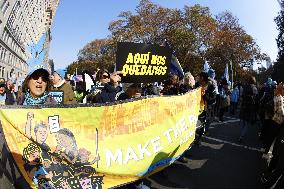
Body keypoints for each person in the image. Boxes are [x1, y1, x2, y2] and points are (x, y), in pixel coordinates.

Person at [238, 76, 258, 143]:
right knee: (246, 123)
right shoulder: (255, 88)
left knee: (242, 122)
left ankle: (240, 134)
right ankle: (241, 136)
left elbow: (242, 96)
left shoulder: (245, 87)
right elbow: (256, 99)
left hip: (244, 106)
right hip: (250, 107)